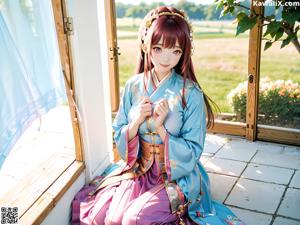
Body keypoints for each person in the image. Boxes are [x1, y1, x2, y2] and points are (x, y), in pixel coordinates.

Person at [72, 6, 245, 225]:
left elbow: (194, 149)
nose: (166, 58)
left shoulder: (190, 93)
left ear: (184, 53)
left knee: (134, 219)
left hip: (176, 174)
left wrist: (162, 130)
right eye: (158, 48)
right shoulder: (133, 86)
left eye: (176, 51)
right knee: (109, 219)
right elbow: (119, 130)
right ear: (146, 46)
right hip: (140, 169)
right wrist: (136, 122)